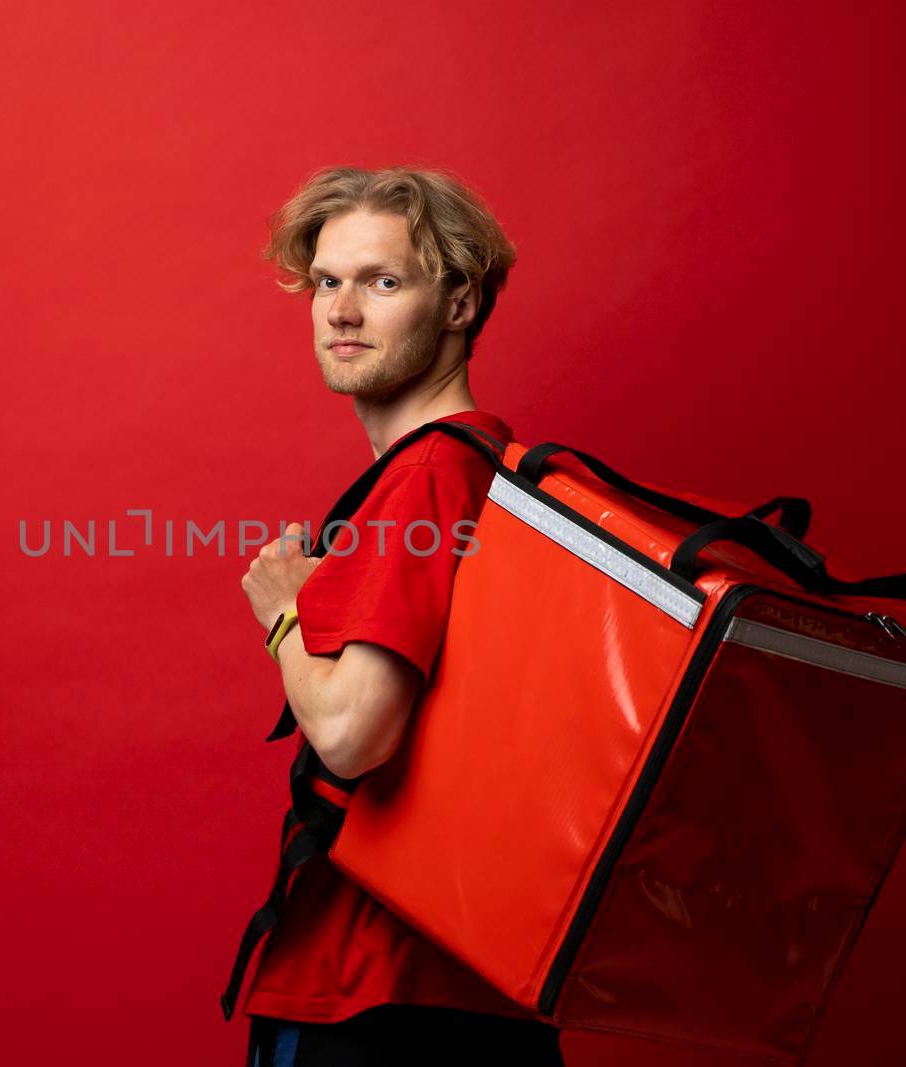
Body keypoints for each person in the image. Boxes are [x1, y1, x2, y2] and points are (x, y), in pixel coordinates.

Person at [233, 167, 565, 1066]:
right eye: (327, 282)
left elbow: (352, 733)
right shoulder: (483, 462)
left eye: (382, 282)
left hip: (381, 990)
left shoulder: (424, 477)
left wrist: (285, 612)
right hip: (462, 976)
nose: (342, 310)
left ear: (459, 303)